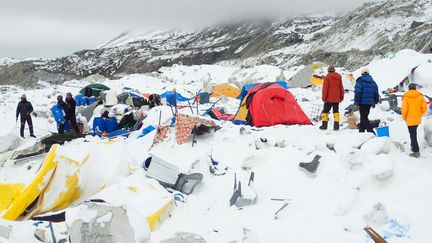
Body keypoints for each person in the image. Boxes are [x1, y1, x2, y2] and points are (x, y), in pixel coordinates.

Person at [402, 83, 428, 158]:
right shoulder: (420, 96)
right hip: (417, 119)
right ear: (415, 88)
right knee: (413, 133)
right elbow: (424, 107)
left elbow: (404, 109)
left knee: (413, 135)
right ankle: (413, 146)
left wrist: (404, 117)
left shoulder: (406, 97)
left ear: (409, 89)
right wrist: (420, 113)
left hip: (409, 119)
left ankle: (416, 151)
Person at [354, 68, 380, 134]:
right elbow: (376, 93)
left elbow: (358, 92)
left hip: (362, 102)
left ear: (362, 73)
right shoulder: (373, 82)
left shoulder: (360, 81)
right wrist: (375, 102)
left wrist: (356, 102)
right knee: (363, 117)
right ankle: (361, 132)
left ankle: (371, 132)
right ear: (368, 73)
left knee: (364, 118)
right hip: (369, 103)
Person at [320, 66, 344, 130]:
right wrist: (341, 96)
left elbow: (325, 89)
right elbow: (341, 88)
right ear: (334, 70)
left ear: (328, 71)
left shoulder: (327, 78)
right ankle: (336, 126)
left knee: (325, 111)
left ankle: (324, 126)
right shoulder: (338, 78)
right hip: (336, 98)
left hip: (328, 98)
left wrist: (324, 97)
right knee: (336, 111)